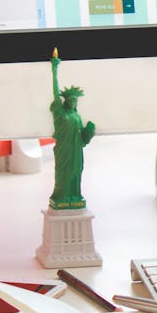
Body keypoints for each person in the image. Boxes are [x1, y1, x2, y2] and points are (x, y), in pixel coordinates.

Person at [49, 49, 96, 210]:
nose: (74, 102)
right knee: (64, 173)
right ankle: (62, 196)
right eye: (71, 100)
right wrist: (54, 68)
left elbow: (82, 139)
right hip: (64, 150)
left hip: (76, 150)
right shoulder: (59, 112)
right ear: (66, 101)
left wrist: (89, 132)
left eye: (76, 100)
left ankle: (75, 195)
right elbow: (55, 93)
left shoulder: (76, 116)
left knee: (76, 172)